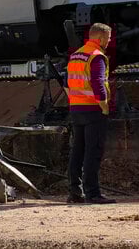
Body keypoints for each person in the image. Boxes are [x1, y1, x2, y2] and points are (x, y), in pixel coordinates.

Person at [66, 23, 116, 205]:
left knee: (77, 151)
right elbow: (98, 83)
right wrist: (104, 106)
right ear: (101, 38)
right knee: (92, 152)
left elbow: (66, 83)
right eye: (109, 38)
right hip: (93, 110)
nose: (109, 42)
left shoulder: (76, 55)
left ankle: (74, 192)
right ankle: (93, 193)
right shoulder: (97, 57)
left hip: (76, 109)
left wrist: (74, 101)